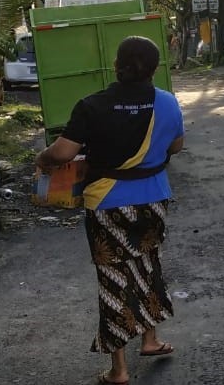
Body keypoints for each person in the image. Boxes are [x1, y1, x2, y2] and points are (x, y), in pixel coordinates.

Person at [34, 36, 184, 385]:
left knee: (114, 279)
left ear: (116, 66)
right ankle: (151, 341)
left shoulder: (92, 105)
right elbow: (176, 146)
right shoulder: (167, 103)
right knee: (148, 266)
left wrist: (41, 160)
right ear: (155, 68)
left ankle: (119, 371)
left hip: (108, 202)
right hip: (153, 199)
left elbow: (63, 154)